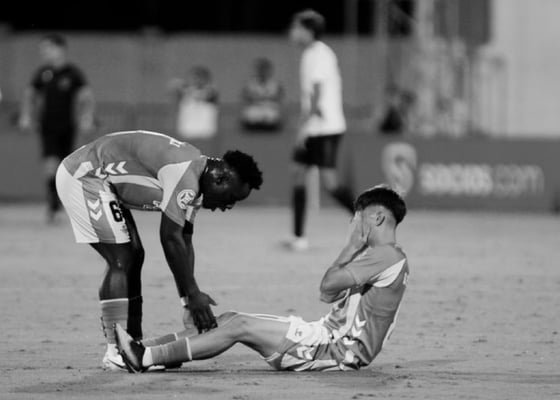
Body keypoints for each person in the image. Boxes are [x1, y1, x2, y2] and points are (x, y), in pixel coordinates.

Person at [114, 185, 409, 373]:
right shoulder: (380, 257)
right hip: (324, 337)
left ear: (377, 218)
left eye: (357, 216)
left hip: (336, 350)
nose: (352, 222)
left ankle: (145, 357)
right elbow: (328, 296)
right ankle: (145, 347)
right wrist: (355, 250)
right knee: (230, 318)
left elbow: (327, 285)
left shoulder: (386, 255)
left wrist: (351, 246)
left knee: (238, 326)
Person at [55, 130, 263, 371]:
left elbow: (184, 241)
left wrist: (188, 300)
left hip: (101, 180)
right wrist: (193, 295)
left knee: (134, 256)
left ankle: (132, 346)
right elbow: (169, 238)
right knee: (121, 259)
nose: (228, 206)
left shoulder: (195, 178)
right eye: (231, 198)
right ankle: (115, 352)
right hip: (84, 176)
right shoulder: (186, 175)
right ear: (220, 179)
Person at [286, 9, 355, 251]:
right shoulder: (310, 54)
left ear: (309, 31)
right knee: (297, 173)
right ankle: (299, 237)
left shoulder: (319, 54)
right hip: (315, 127)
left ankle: (369, 220)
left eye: (297, 27)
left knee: (330, 183)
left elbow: (316, 95)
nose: (292, 32)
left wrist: (301, 128)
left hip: (325, 127)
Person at [19, 34, 95, 223]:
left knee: (64, 169)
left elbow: (86, 97)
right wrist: (26, 116)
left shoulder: (73, 73)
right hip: (48, 126)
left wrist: (86, 118)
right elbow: (29, 94)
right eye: (42, 49)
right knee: (50, 165)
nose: (43, 53)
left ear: (60, 49)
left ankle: (60, 205)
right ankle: (53, 207)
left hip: (68, 127)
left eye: (47, 48)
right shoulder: (42, 73)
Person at [170, 66, 219, 140]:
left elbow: (203, 96)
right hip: (186, 132)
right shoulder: (184, 92)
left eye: (199, 77)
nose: (197, 80)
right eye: (194, 78)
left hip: (206, 133)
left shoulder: (211, 91)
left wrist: (184, 89)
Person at [240, 57, 284, 131]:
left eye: (264, 69)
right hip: (255, 107)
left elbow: (278, 98)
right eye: (260, 69)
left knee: (272, 115)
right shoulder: (251, 83)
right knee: (250, 114)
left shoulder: (275, 84)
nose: (262, 72)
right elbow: (246, 97)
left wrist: (265, 99)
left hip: (269, 108)